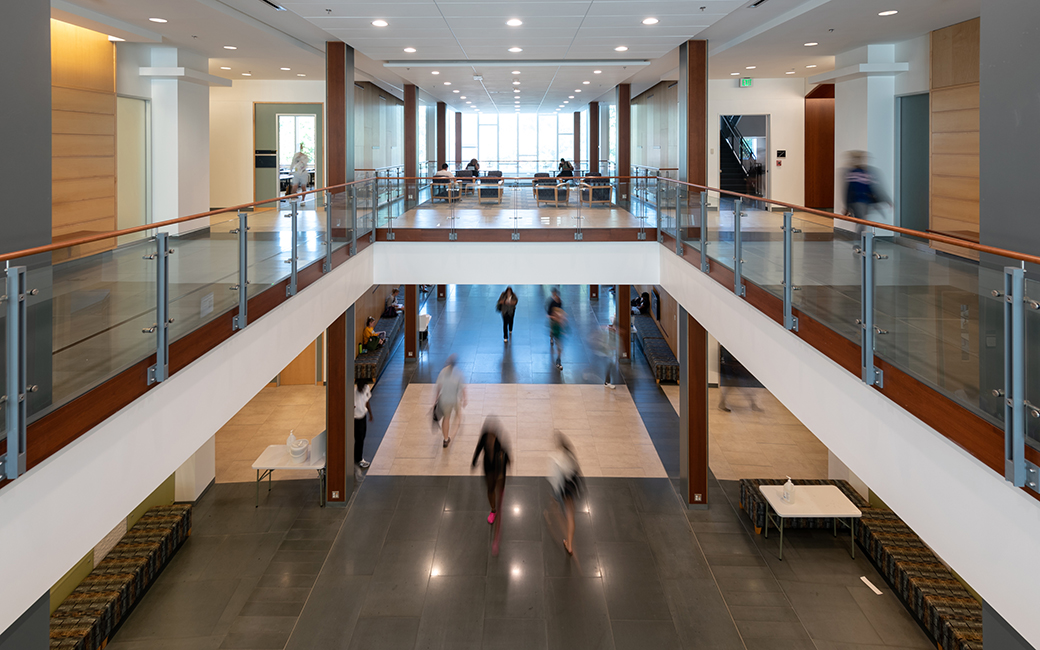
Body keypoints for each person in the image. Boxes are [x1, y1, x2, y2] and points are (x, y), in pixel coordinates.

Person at [472, 417, 510, 555]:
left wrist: (505, 472)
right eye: (488, 437)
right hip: (488, 471)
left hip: (499, 473)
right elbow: (478, 449)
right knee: (489, 490)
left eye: (492, 437)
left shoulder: (500, 445)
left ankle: (496, 508)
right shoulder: (483, 439)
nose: (489, 440)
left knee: (498, 492)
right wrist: (474, 461)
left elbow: (507, 458)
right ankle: (493, 509)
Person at [544, 432, 583, 555]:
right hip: (572, 488)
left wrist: (555, 495)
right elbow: (577, 472)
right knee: (571, 517)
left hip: (562, 489)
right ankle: (569, 545)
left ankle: (549, 514)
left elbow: (555, 480)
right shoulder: (570, 455)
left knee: (557, 506)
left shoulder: (555, 458)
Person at [844, 151, 891, 228]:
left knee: (862, 221)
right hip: (858, 201)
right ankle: (859, 238)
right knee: (861, 221)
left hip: (864, 201)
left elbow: (874, 188)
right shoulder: (856, 173)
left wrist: (885, 199)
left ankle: (860, 238)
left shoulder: (864, 172)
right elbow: (849, 190)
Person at [434, 355, 466, 447]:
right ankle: (457, 424)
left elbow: (438, 388)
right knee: (458, 412)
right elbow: (463, 387)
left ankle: (445, 439)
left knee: (446, 418)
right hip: (454, 399)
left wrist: (435, 400)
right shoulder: (458, 373)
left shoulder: (442, 372)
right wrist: (465, 398)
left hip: (444, 399)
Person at [354, 378, 374, 473]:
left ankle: (358, 457)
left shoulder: (366, 388)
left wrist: (370, 414)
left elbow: (367, 402)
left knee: (361, 438)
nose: (360, 389)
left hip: (363, 417)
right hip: (355, 419)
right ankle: (357, 458)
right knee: (358, 439)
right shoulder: (353, 393)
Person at [549, 306, 567, 371]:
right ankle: (558, 362)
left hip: (559, 337)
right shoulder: (555, 323)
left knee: (559, 349)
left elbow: (566, 328)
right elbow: (554, 330)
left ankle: (558, 360)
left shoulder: (560, 322)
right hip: (557, 337)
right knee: (559, 349)